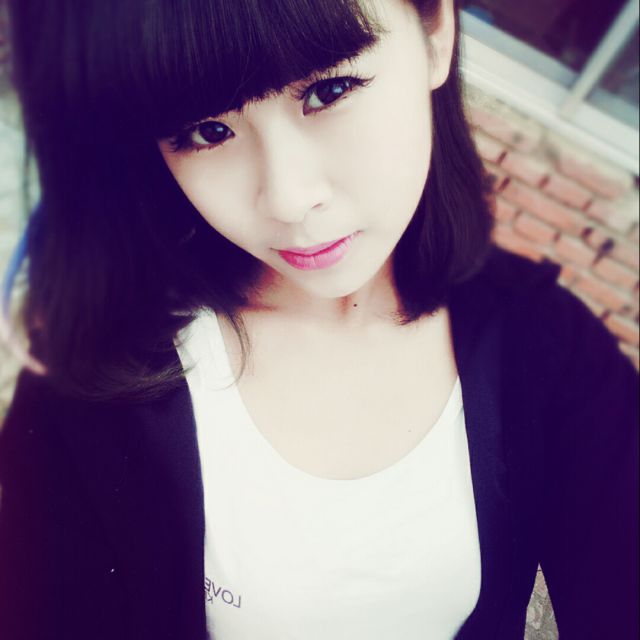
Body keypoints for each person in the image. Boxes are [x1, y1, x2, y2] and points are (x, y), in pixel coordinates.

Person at [0, 0, 637, 638]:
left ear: (435, 32)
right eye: (206, 131)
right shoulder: (91, 379)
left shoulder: (551, 352)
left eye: (329, 91)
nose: (288, 198)